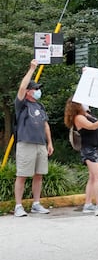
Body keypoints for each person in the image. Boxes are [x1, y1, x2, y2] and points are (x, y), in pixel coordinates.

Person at [13, 59, 53, 217]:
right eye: (35, 89)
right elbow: (22, 86)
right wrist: (32, 69)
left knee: (39, 175)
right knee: (22, 175)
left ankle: (36, 203)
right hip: (26, 143)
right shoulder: (21, 104)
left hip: (40, 145)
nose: (38, 91)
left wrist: (49, 142)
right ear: (29, 91)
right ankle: (18, 206)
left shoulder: (40, 106)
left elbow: (45, 125)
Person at [64, 96, 98, 216]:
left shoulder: (85, 115)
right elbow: (93, 126)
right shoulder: (79, 118)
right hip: (89, 149)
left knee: (93, 177)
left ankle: (88, 204)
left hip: (94, 148)